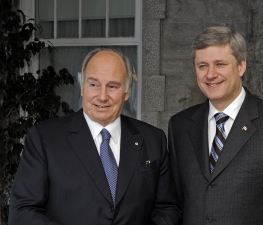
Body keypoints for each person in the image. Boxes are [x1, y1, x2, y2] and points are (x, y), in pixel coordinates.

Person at [9, 48, 181, 225]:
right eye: (94, 85)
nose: (102, 96)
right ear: (83, 87)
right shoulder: (44, 138)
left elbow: (167, 209)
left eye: (112, 86)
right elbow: (23, 211)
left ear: (127, 92)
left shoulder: (153, 139)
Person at [168, 26, 263, 224]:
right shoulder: (180, 126)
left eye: (220, 64)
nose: (210, 75)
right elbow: (176, 205)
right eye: (202, 66)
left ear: (241, 66)